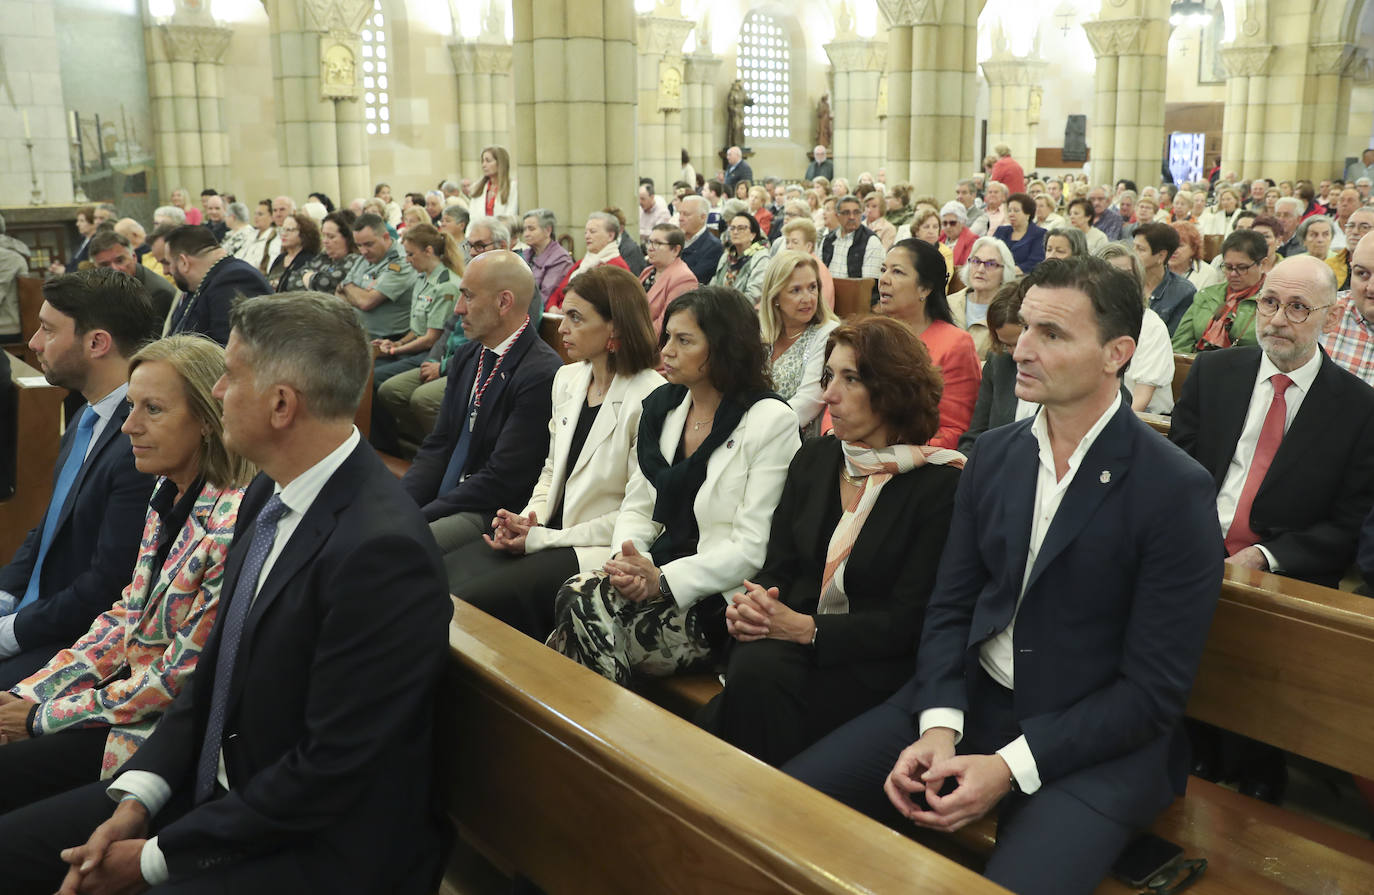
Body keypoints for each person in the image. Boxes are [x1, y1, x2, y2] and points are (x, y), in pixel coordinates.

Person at [784, 256, 1224, 895]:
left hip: (1093, 740)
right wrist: (939, 723)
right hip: (972, 700)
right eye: (1025, 328)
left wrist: (1009, 766)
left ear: (1116, 354)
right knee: (788, 809)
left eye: (1053, 334)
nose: (1023, 347)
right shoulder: (993, 457)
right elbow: (950, 607)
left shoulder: (1173, 489)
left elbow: (1151, 694)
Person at [0, 292, 452, 894]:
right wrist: (138, 797)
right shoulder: (271, 495)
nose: (217, 393)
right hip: (218, 789)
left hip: (310, 843)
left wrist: (154, 857)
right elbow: (212, 678)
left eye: (231, 378)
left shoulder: (380, 552)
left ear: (282, 404)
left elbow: (331, 769)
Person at [0, 335, 251, 820]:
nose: (129, 426)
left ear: (206, 419)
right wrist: (28, 695)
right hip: (119, 700)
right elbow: (123, 618)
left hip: (159, 739)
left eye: (152, 409)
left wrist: (39, 716)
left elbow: (177, 680)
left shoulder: (233, 523)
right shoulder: (166, 490)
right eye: (131, 406)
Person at [696, 316, 963, 766]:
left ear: (892, 390)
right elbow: (778, 563)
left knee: (747, 691)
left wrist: (806, 629)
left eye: (850, 379)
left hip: (870, 667)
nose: (827, 394)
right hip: (785, 650)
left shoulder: (939, 486)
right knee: (753, 669)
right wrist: (757, 604)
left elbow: (909, 622)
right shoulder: (817, 458)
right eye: (827, 376)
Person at [547, 286, 800, 685]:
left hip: (717, 596)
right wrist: (628, 562)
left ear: (723, 348)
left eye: (684, 341)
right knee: (577, 600)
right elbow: (637, 507)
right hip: (656, 567)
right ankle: (608, 737)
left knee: (573, 624)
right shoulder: (665, 407)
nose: (666, 350)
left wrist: (662, 582)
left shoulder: (769, 421)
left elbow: (751, 547)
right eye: (667, 337)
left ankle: (600, 737)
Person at [449, 266, 664, 638]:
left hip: (593, 548)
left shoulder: (651, 396)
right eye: (564, 313)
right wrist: (527, 520)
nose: (562, 328)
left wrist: (544, 538)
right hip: (549, 532)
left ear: (615, 328)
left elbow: (639, 512)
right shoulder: (568, 378)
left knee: (471, 602)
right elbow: (551, 471)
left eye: (576, 318)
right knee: (442, 574)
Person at [1172, 253, 1374, 589]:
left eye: (1298, 307)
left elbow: (1348, 524)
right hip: (1187, 547)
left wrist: (1264, 555)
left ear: (1332, 317)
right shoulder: (1213, 373)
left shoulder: (1360, 408)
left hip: (1284, 576)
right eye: (1269, 302)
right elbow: (1176, 470)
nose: (1277, 320)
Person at [0, 270, 160, 688]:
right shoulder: (87, 415)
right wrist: (4, 597)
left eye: (48, 331)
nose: (34, 343)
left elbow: (107, 586)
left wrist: (10, 632)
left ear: (96, 343)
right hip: (44, 614)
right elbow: (48, 527)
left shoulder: (138, 441)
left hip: (84, 641)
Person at [402, 251, 563, 554]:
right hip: (456, 495)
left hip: (491, 511)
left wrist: (420, 516)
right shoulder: (468, 356)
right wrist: (401, 503)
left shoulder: (541, 373)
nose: (459, 309)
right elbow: (438, 445)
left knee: (403, 547)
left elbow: (502, 478)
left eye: (469, 297)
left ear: (504, 302)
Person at [875, 239, 981, 448]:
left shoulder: (955, 344)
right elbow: (840, 400)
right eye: (883, 269)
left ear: (925, 288)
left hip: (916, 460)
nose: (883, 280)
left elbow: (954, 431)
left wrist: (891, 451)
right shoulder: (873, 334)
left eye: (897, 272)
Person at [759, 251, 841, 435]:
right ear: (775, 297)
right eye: (796, 290)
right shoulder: (763, 334)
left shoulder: (828, 333)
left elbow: (808, 403)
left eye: (812, 287)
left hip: (795, 439)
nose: (808, 298)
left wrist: (756, 428)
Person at [371, 223, 462, 389]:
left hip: (431, 353)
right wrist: (397, 343)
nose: (406, 260)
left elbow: (431, 339)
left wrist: (395, 350)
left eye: (410, 254)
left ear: (428, 251)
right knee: (368, 368)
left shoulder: (446, 285)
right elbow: (417, 328)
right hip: (415, 348)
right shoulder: (421, 279)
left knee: (376, 377)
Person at [1096, 244, 1175, 415]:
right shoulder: (1089, 321)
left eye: (1126, 275)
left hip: (1143, 420)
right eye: (1109, 273)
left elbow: (1140, 400)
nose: (1117, 282)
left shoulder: (1151, 326)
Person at [162, 225, 272, 346]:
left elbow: (229, 352)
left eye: (169, 263)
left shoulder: (235, 279)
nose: (166, 271)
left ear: (184, 262)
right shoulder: (200, 282)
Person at [958, 281, 1029, 456]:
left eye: (1018, 343)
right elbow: (976, 434)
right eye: (1006, 345)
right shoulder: (999, 361)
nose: (1014, 353)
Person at [1172, 229, 1269, 352]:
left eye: (1242, 267)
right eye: (1228, 267)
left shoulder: (1272, 302)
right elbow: (1180, 345)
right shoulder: (1206, 295)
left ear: (1263, 264)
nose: (1233, 274)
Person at [338, 213, 417, 341]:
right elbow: (339, 295)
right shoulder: (364, 259)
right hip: (358, 337)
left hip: (389, 341)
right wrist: (355, 291)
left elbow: (366, 302)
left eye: (368, 244)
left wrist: (347, 287)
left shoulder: (402, 262)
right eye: (359, 245)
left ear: (385, 237)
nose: (363, 251)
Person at [949, 236, 1019, 361]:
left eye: (991, 264)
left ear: (1005, 272)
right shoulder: (947, 303)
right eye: (976, 261)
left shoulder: (1009, 313)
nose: (980, 270)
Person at [87, 230, 177, 324]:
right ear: (95, 268)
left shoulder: (157, 293)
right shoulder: (96, 289)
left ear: (134, 257)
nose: (115, 269)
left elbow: (153, 337)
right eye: (105, 265)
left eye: (120, 260)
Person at [546, 212, 632, 311]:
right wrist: (552, 308)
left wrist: (568, 311)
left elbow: (606, 307)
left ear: (610, 236)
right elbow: (557, 294)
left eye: (592, 231)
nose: (587, 236)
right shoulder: (581, 263)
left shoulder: (617, 267)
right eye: (585, 232)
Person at [1132, 222, 1197, 336]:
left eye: (1140, 249)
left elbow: (1173, 337)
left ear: (1161, 256)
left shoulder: (1184, 292)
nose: (1133, 254)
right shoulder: (1125, 282)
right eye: (1133, 247)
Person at [641, 223, 697, 336]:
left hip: (657, 347)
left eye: (657, 243)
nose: (650, 248)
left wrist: (633, 338)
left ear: (675, 250)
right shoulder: (647, 271)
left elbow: (667, 324)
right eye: (649, 242)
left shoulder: (684, 278)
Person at [712, 212, 771, 305]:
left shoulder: (761, 258)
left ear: (753, 235)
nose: (735, 232)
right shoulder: (726, 256)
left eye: (741, 228)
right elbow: (714, 285)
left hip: (744, 312)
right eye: (732, 228)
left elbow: (754, 295)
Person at [520, 208, 573, 309]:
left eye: (531, 229)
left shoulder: (561, 259)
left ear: (548, 230)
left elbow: (545, 297)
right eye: (524, 229)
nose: (526, 234)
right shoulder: (525, 254)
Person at [300, 208, 360, 295]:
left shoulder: (355, 261)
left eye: (331, 236)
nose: (325, 241)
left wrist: (308, 276)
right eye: (323, 235)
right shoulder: (324, 256)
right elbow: (294, 278)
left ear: (348, 238)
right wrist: (311, 278)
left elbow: (323, 284)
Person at [822, 196, 884, 280]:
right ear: (837, 216)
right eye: (846, 213)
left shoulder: (871, 241)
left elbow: (869, 284)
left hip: (856, 292)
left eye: (856, 212)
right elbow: (820, 274)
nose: (852, 217)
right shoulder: (827, 240)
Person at [266, 212, 323, 294]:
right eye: (282, 229)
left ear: (304, 234)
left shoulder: (309, 260)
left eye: (289, 230)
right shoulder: (280, 258)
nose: (283, 234)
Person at [993, 193, 1046, 275]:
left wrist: (1006, 272)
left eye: (1016, 211)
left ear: (1028, 214)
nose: (1011, 214)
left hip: (1023, 279)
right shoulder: (1001, 231)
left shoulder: (1040, 234)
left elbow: (1034, 263)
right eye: (1009, 210)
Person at [677, 195, 723, 285]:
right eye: (680, 213)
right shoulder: (674, 241)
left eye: (686, 214)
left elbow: (694, 279)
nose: (680, 219)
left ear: (703, 217)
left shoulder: (713, 247)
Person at [1169, 221, 1224, 293]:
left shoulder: (1207, 273)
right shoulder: (1156, 269)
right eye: (1170, 244)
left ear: (1193, 248)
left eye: (1180, 246)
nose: (1173, 250)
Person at [469, 145, 519, 218]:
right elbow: (472, 216)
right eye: (483, 161)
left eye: (488, 161)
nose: (484, 165)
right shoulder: (477, 187)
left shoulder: (512, 187)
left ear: (500, 163)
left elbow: (511, 214)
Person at [236, 199, 281, 274]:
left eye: (260, 214)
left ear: (271, 217)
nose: (256, 217)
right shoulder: (251, 234)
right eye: (255, 214)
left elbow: (261, 264)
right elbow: (239, 255)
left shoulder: (273, 237)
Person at [939, 201, 978, 270]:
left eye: (952, 223)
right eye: (945, 223)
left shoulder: (971, 240)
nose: (948, 227)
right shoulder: (939, 237)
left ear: (962, 222)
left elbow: (966, 268)